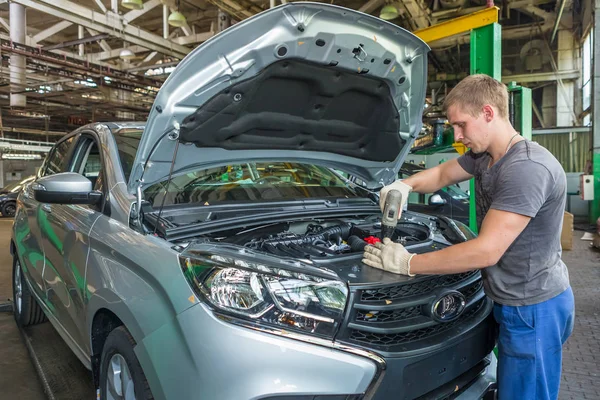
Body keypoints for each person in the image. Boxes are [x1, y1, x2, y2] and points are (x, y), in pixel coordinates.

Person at [362, 74, 575, 400]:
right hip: (512, 299)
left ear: (488, 113)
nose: (458, 136)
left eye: (461, 125)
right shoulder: (486, 157)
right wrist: (405, 185)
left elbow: (486, 251)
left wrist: (409, 263)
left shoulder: (525, 169)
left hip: (534, 307)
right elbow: (442, 174)